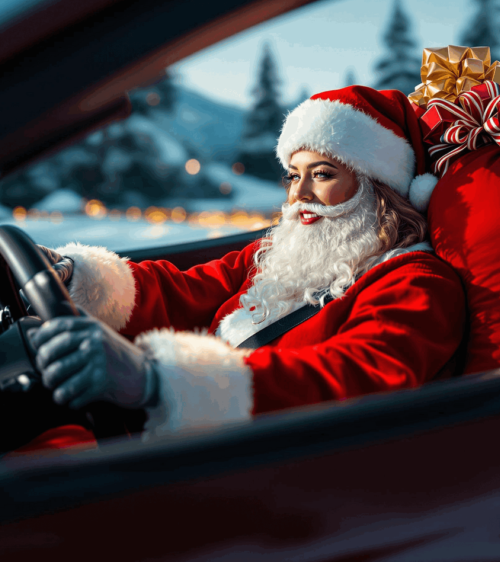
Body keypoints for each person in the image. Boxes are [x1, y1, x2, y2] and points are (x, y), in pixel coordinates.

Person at [31, 86, 465, 440]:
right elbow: (185, 290)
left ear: (377, 186)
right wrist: (76, 273)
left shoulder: (417, 285)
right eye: (295, 175)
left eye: (323, 174)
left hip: (252, 468)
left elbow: (351, 378)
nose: (298, 196)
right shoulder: (280, 255)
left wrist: (155, 379)